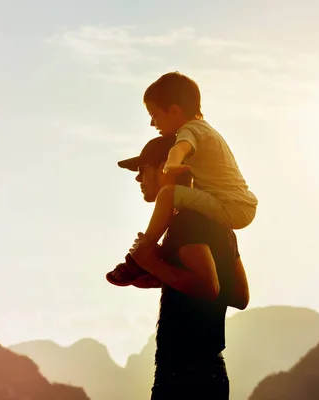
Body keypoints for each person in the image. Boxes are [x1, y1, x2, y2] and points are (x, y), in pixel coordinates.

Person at [113, 135, 250, 399]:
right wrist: (164, 277)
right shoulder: (219, 224)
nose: (138, 179)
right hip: (211, 372)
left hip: (183, 376)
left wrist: (149, 262)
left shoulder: (185, 222)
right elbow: (239, 296)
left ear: (166, 166)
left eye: (143, 170)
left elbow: (207, 286)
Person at [106, 71, 257, 286]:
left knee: (167, 194)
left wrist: (172, 164)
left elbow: (181, 147)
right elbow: (240, 299)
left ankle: (139, 256)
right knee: (170, 196)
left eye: (154, 115)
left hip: (232, 206)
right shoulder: (206, 131)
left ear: (174, 111)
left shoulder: (191, 129)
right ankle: (156, 264)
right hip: (238, 205)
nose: (152, 123)